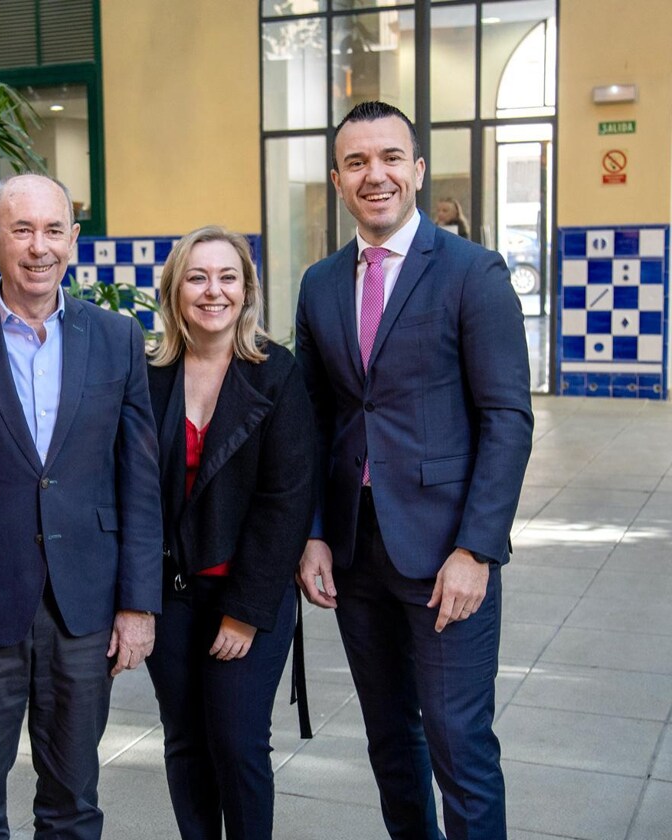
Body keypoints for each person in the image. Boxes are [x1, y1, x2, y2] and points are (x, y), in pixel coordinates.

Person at [294, 100, 533, 840]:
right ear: (338, 179)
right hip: (358, 552)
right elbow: (313, 422)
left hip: (444, 554)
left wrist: (477, 550)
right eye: (358, 162)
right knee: (390, 744)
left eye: (391, 158)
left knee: (459, 743)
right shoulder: (320, 283)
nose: (377, 174)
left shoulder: (472, 272)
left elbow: (507, 420)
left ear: (418, 171)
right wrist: (313, 535)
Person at [0, 172, 163, 839]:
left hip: (84, 608)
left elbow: (139, 482)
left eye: (53, 230)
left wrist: (139, 604)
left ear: (73, 241)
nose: (39, 246)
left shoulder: (117, 338)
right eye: (22, 230)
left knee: (74, 802)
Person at [145, 226, 315, 839]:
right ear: (174, 291)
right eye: (197, 277)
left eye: (227, 278)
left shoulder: (276, 374)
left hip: (247, 593)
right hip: (170, 596)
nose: (212, 291)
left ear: (247, 292)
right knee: (185, 741)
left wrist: (244, 612)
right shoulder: (148, 375)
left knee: (238, 742)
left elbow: (286, 501)